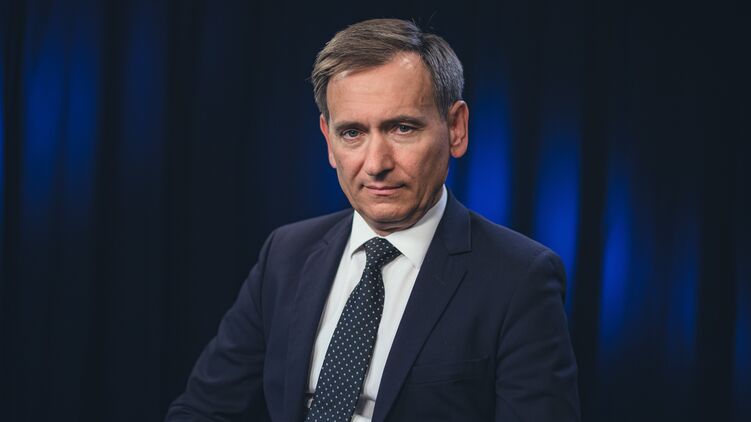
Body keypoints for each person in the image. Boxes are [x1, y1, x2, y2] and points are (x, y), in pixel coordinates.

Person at [166, 18, 580, 422]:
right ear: (328, 141)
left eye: (402, 128)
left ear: (456, 128)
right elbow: (201, 410)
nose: (376, 164)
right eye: (352, 133)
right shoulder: (286, 254)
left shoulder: (519, 278)